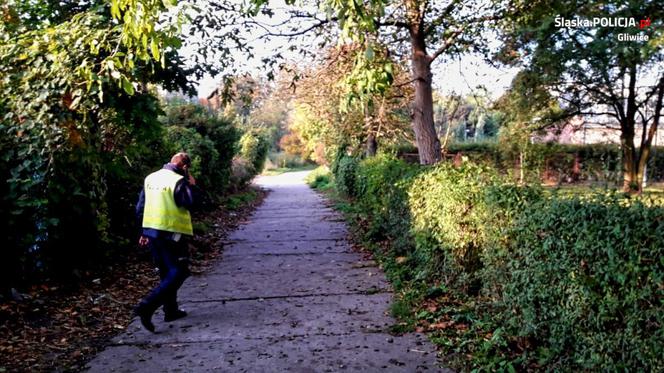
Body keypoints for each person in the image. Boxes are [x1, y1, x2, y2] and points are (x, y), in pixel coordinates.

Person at [134, 152, 199, 332]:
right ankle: (147, 306)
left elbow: (140, 206)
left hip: (152, 232)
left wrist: (142, 231)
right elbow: (192, 203)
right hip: (172, 234)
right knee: (180, 271)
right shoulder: (178, 181)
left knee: (165, 271)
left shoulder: (151, 178)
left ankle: (171, 310)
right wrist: (192, 186)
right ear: (185, 167)